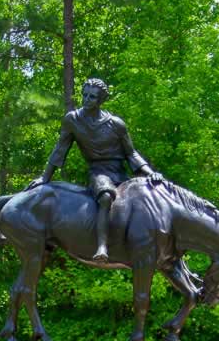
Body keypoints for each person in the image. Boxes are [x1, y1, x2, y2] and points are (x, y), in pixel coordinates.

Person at [28, 78, 161, 262]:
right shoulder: (73, 120)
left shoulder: (116, 124)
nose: (86, 99)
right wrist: (45, 178)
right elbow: (60, 150)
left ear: (101, 100)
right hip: (99, 172)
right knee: (106, 196)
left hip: (120, 173)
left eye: (92, 97)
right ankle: (102, 246)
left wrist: (149, 172)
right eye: (85, 95)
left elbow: (131, 154)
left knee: (150, 199)